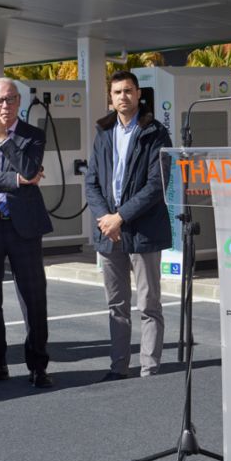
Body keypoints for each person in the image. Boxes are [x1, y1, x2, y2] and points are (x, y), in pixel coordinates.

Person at [0, 78, 54, 389]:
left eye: (11, 99)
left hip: (24, 227)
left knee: (33, 299)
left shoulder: (33, 135)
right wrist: (16, 180)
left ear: (19, 101)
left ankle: (38, 366)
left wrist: (4, 140)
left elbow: (30, 169)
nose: (5, 105)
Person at [84, 71, 172, 382]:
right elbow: (92, 181)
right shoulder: (103, 133)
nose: (123, 96)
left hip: (143, 230)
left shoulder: (155, 132)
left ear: (138, 94)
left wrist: (120, 217)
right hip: (109, 232)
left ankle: (149, 368)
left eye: (129, 91)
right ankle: (118, 366)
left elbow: (155, 184)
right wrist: (107, 220)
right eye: (118, 92)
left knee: (149, 303)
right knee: (116, 305)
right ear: (111, 97)